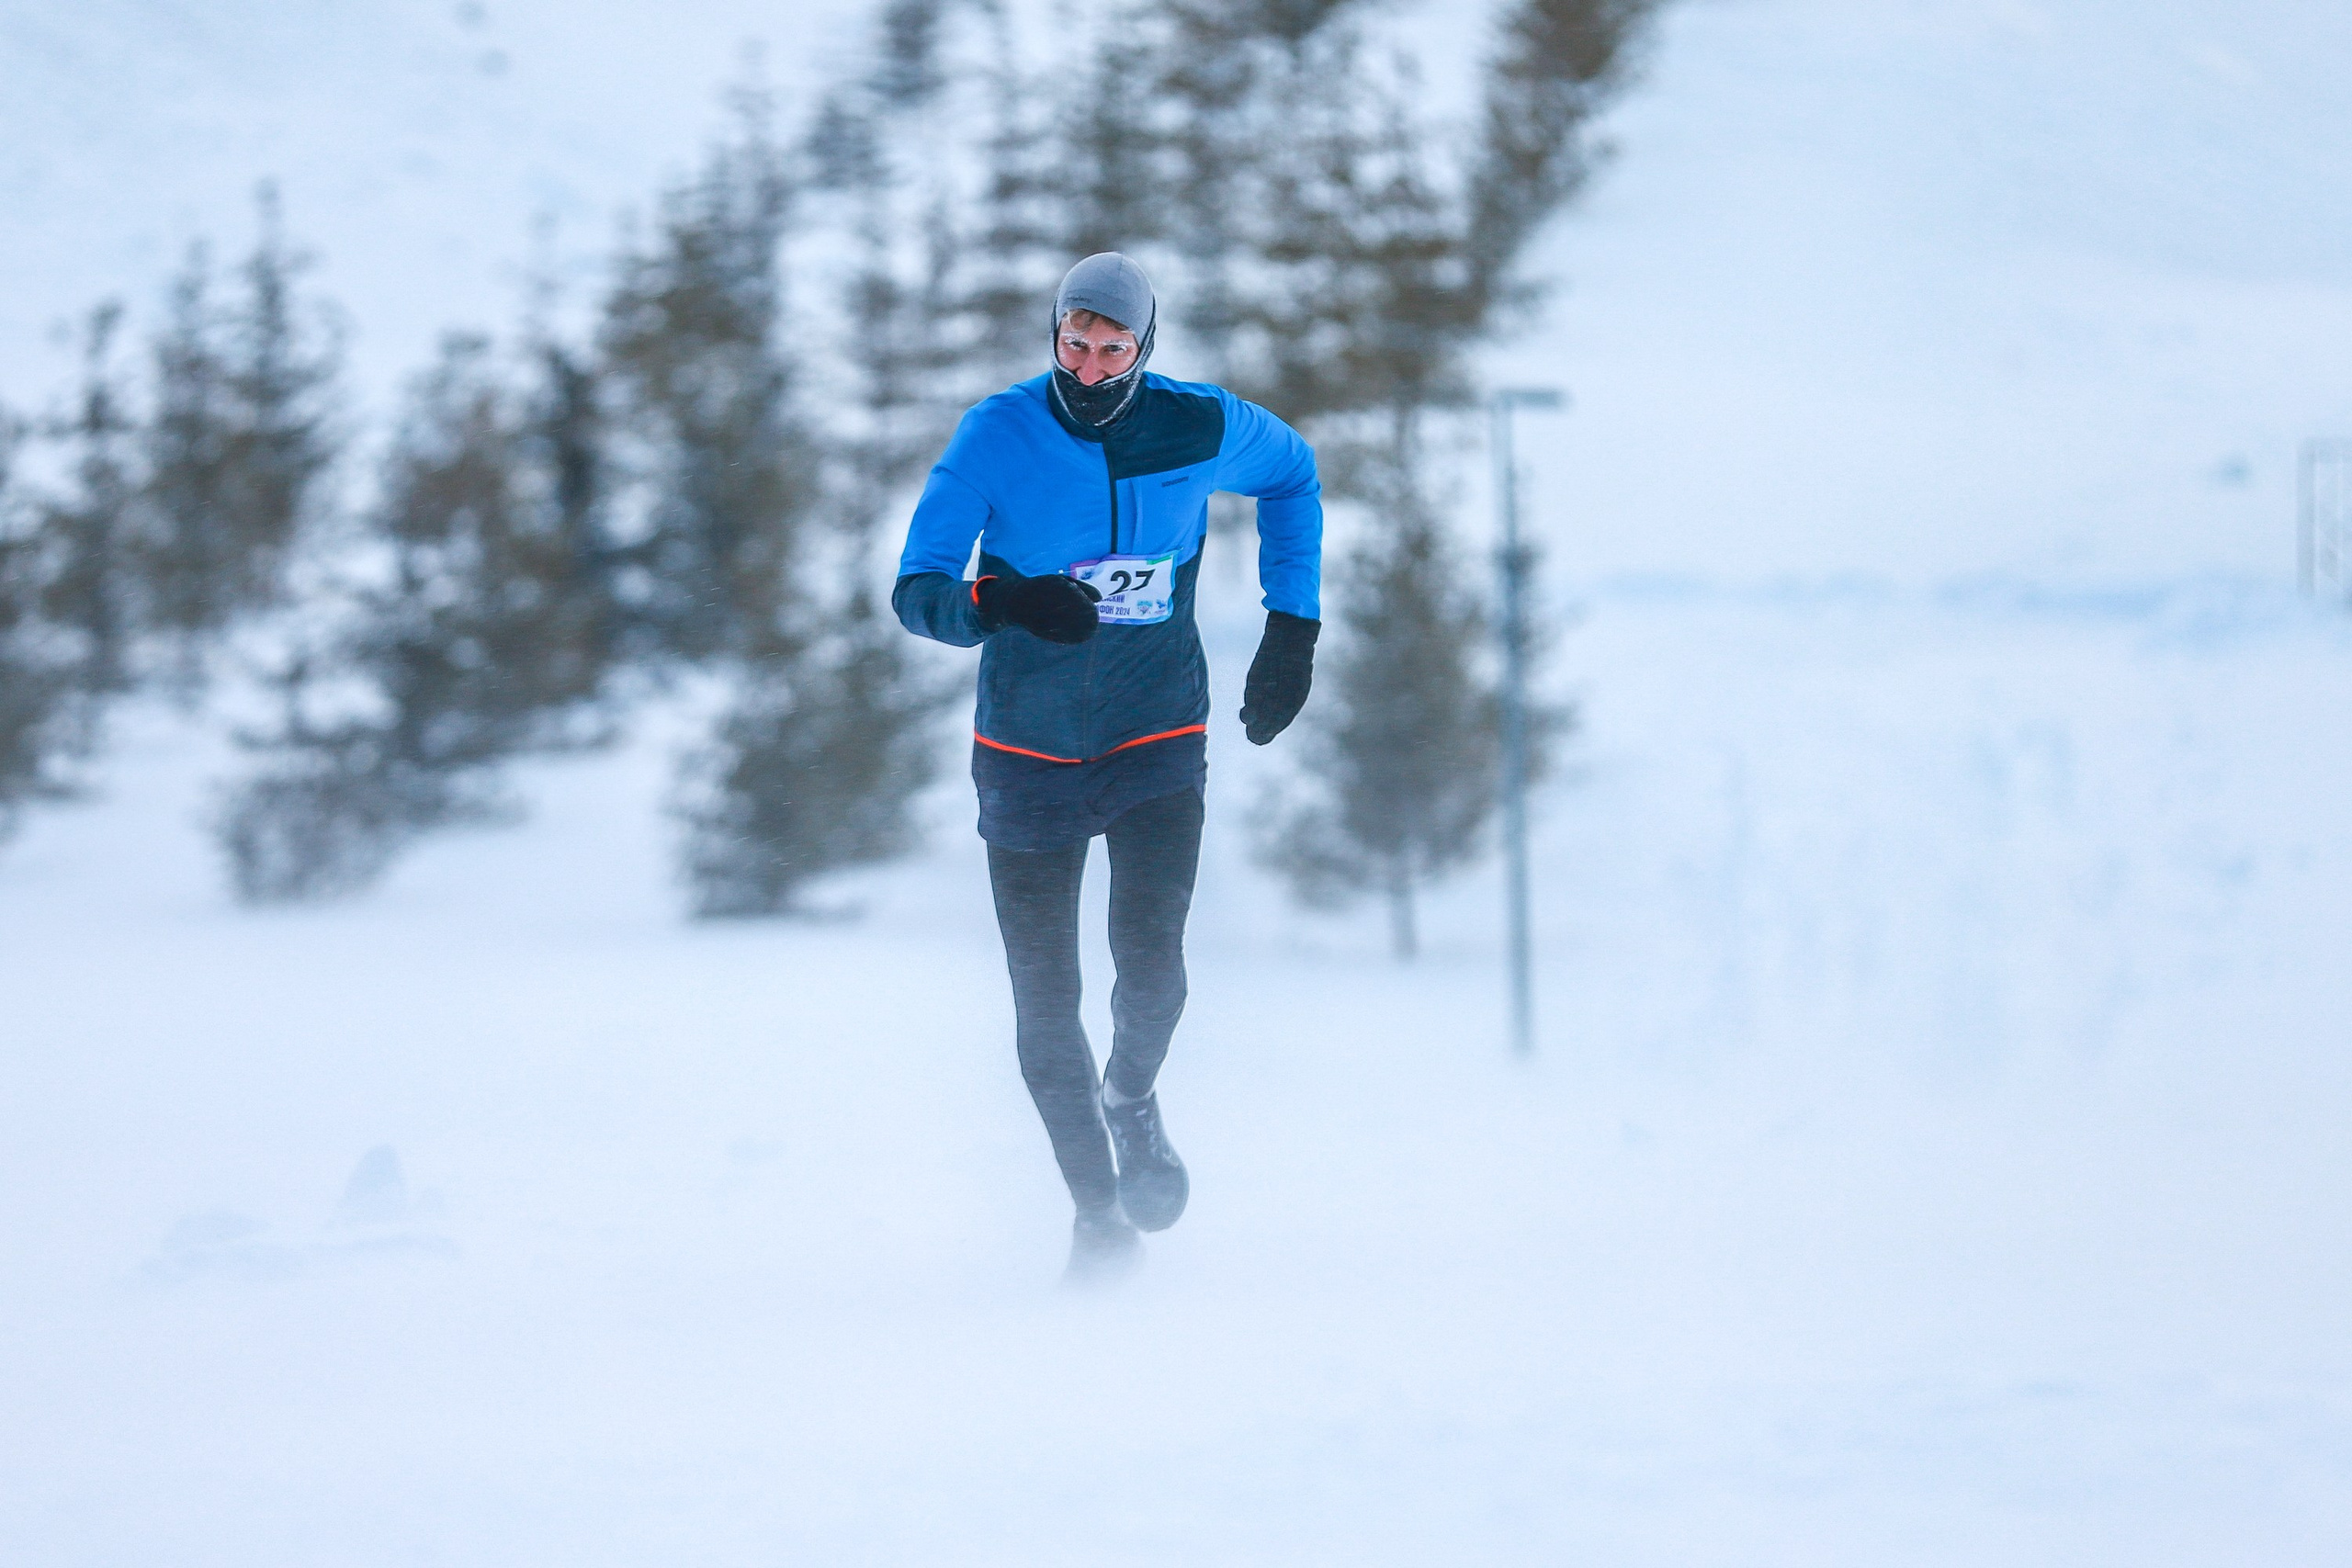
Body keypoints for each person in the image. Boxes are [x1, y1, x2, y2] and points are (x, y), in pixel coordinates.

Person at [893, 253, 1323, 1281]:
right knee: (1045, 1011)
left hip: (1152, 730)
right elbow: (917, 591)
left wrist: (1291, 626)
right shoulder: (999, 433)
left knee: (1154, 969)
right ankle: (1098, 1217)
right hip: (1026, 749)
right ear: (1052, 336)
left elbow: (1293, 477)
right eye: (1072, 345)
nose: (1088, 370)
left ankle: (1131, 1098)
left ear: (1146, 347)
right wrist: (1005, 604)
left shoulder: (1196, 423)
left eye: (1111, 348)